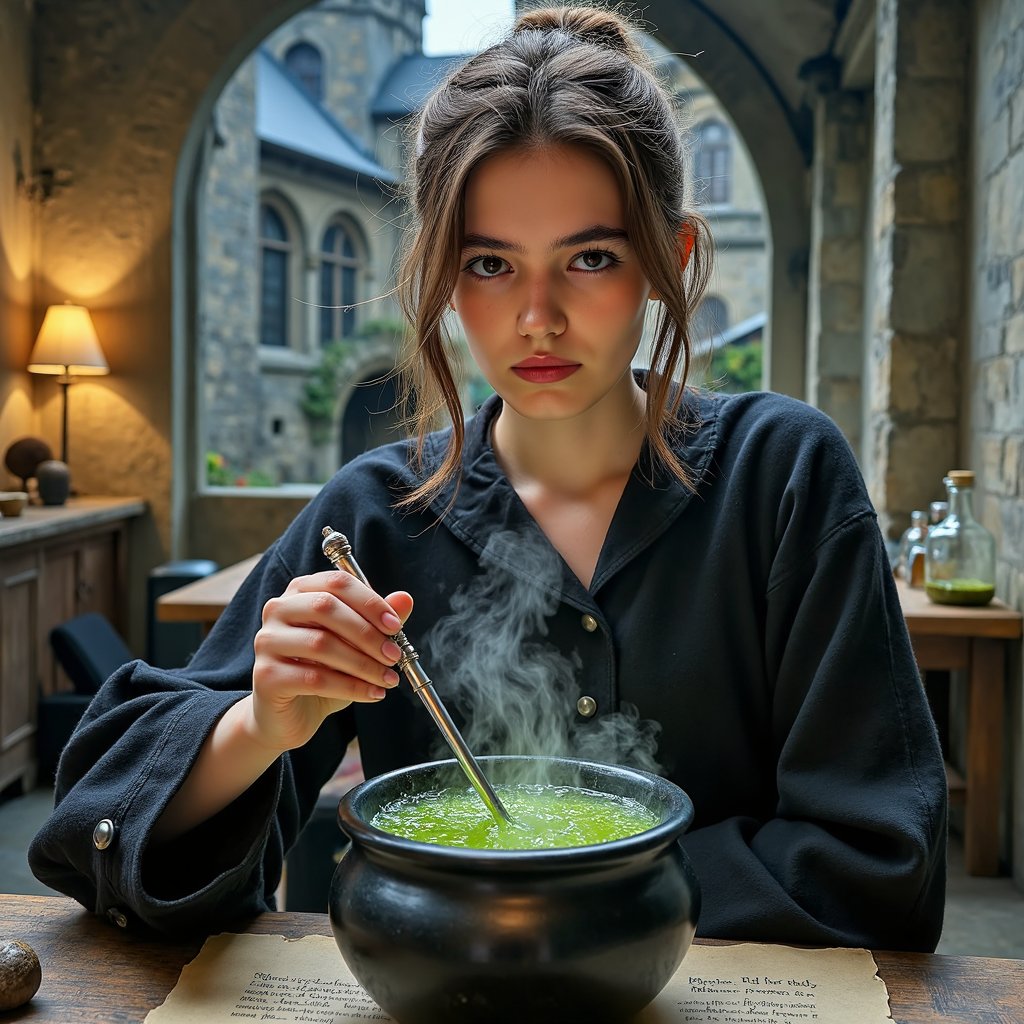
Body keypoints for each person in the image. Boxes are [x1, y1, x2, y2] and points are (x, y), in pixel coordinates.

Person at [29, 5, 946, 950]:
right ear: (442, 277)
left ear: (667, 261)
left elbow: (881, 866)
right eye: (490, 264)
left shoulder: (784, 478)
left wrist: (556, 903)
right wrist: (259, 726)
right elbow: (88, 827)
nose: (537, 318)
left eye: (591, 258)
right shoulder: (376, 518)